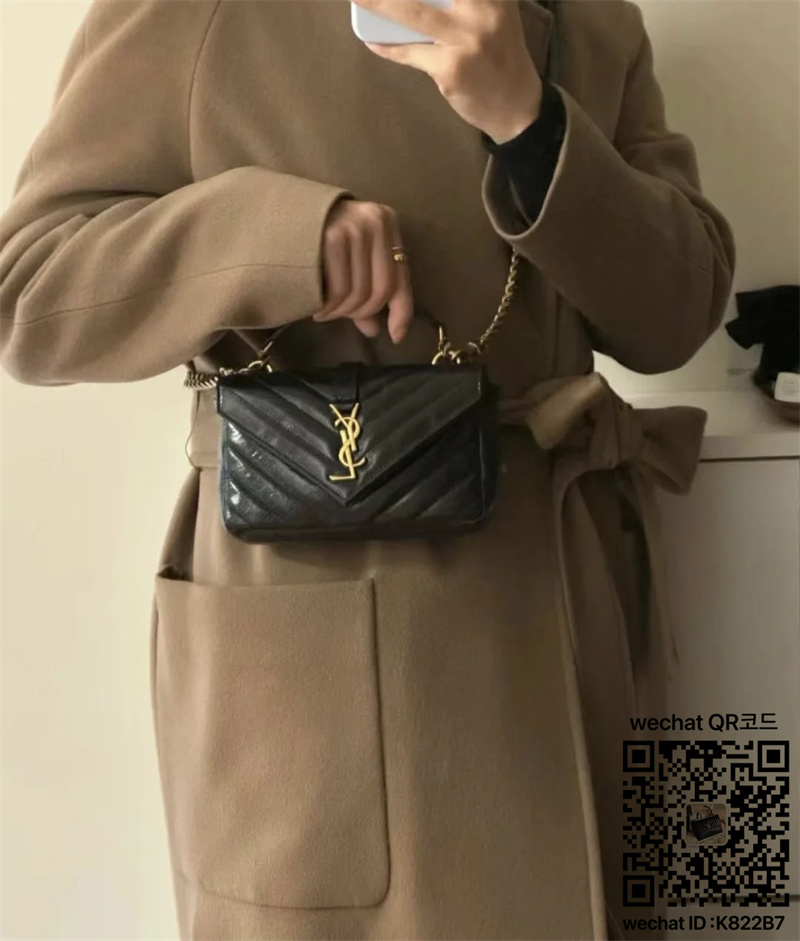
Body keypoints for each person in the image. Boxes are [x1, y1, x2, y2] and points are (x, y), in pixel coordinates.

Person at [0, 0, 736, 938]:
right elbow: (30, 288)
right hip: (317, 655)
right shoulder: (200, 14)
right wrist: (276, 240)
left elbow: (678, 314)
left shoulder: (593, 18)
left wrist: (530, 123)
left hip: (568, 617)